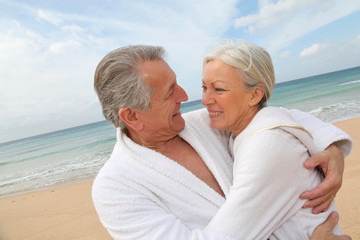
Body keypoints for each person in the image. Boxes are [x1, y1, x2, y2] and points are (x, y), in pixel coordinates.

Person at [92, 45, 352, 239]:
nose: (186, 96)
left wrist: (331, 149)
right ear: (132, 116)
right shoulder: (116, 188)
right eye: (170, 92)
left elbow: (271, 115)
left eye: (178, 83)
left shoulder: (204, 123)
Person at [201, 41, 352, 239]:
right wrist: (333, 148)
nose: (205, 100)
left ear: (255, 95)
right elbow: (286, 114)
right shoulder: (245, 129)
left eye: (219, 89)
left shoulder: (267, 146)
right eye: (204, 87)